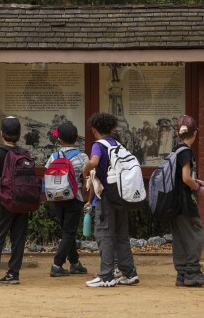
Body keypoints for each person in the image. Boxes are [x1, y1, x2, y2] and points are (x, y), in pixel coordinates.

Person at [82, 113, 139, 287]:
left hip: (106, 195)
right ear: (112, 128)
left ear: (93, 130)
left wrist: (85, 171)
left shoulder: (98, 145)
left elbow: (94, 162)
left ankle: (106, 275)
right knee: (121, 234)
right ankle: (129, 273)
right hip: (121, 195)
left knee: (104, 234)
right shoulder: (117, 144)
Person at [0, 116, 30, 286]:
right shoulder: (24, 153)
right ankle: (13, 274)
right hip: (23, 202)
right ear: (19, 134)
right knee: (18, 238)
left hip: (2, 200)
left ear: (2, 133)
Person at [171, 115, 204, 287]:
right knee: (195, 232)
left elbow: (180, 178)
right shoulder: (186, 152)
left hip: (173, 203)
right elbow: (185, 177)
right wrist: (199, 189)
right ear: (195, 133)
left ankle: (182, 274)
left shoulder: (175, 150)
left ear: (178, 133)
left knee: (180, 237)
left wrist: (196, 182)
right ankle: (193, 272)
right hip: (184, 203)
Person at [45, 123, 89, 277]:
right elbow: (86, 178)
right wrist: (86, 197)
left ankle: (75, 263)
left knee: (66, 231)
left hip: (56, 198)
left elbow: (47, 173)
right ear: (76, 138)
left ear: (59, 139)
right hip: (73, 197)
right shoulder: (82, 157)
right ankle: (57, 264)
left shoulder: (53, 156)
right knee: (69, 232)